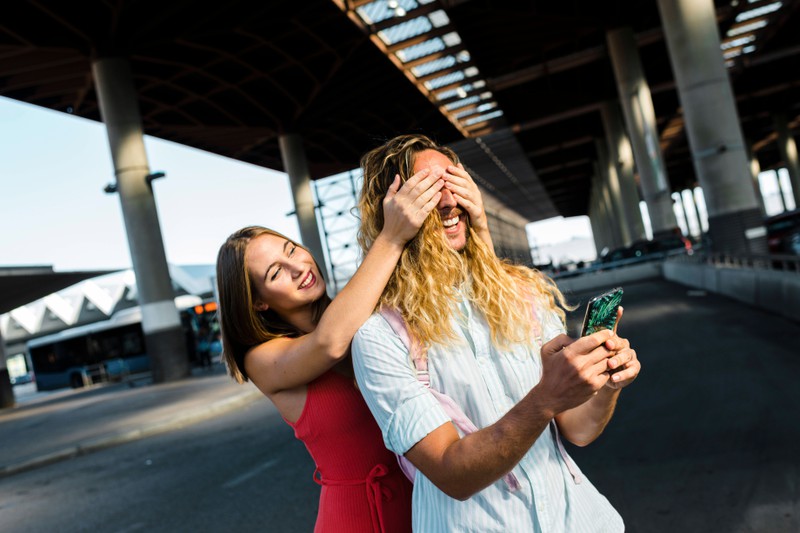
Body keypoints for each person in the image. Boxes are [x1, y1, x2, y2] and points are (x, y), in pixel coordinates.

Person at [351, 134, 642, 532]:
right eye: (429, 189)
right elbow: (452, 473)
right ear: (394, 209)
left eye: (453, 181)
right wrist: (545, 398)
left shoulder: (524, 295)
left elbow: (579, 428)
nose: (449, 201)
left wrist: (606, 384)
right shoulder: (380, 336)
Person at [215, 163, 490, 532]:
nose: (297, 267)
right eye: (276, 273)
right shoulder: (263, 360)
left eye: (292, 249)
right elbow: (329, 343)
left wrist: (477, 222)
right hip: (360, 518)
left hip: (435, 502)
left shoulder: (365, 312)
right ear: (258, 302)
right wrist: (392, 236)